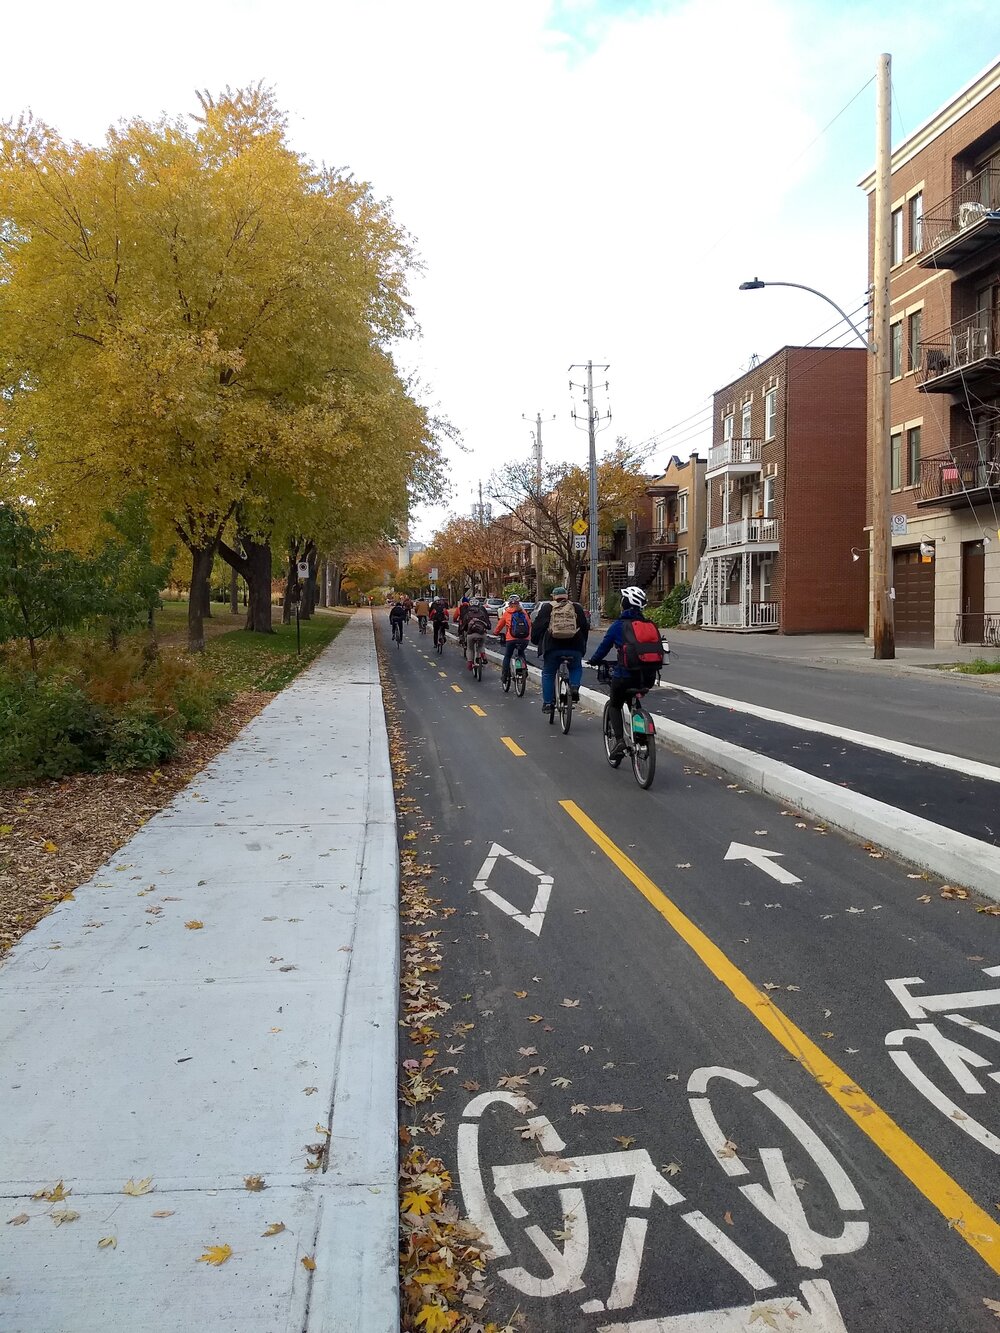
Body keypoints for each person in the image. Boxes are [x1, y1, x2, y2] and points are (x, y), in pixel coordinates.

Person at [587, 586, 664, 759]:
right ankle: (641, 733)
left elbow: (603, 648)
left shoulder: (618, 626)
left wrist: (593, 660)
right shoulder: (650, 625)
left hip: (624, 677)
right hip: (648, 678)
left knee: (615, 704)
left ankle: (620, 741)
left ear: (625, 603)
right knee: (634, 700)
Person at [530, 586, 589, 716]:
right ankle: (574, 688)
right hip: (574, 647)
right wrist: (583, 645)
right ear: (566, 596)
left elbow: (538, 627)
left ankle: (547, 704)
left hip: (553, 648)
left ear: (553, 596)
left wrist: (535, 641)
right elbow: (585, 627)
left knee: (548, 673)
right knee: (575, 668)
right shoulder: (576, 607)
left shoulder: (548, 608)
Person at [494, 596, 532, 685]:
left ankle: (504, 676)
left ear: (510, 604)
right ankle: (523, 671)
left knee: (507, 656)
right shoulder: (524, 613)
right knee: (521, 653)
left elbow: (500, 625)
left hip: (511, 639)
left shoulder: (507, 613)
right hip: (524, 639)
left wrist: (496, 633)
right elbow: (529, 625)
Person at [463, 599, 491, 669]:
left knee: (470, 649)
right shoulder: (482, 613)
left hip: (471, 634)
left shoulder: (467, 613)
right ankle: (483, 655)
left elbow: (463, 626)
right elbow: (488, 625)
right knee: (481, 646)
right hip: (482, 633)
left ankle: (470, 663)